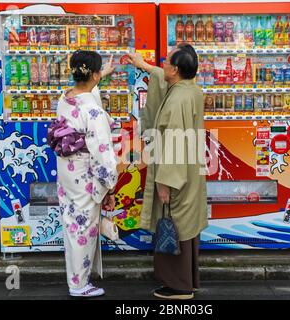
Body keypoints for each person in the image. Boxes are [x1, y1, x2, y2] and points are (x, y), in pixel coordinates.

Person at [127, 43, 208, 300]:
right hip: (190, 171)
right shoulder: (190, 89)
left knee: (174, 223)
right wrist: (143, 65)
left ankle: (178, 285)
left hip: (176, 175)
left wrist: (165, 183)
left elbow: (173, 143)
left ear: (175, 69)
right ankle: (189, 279)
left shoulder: (177, 101)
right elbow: (162, 77)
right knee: (187, 223)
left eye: (166, 61)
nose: (162, 64)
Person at [54, 50, 118, 297]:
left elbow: (87, 93)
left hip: (68, 174)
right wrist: (109, 186)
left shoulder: (65, 97)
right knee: (83, 229)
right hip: (86, 177)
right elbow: (102, 153)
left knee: (72, 225)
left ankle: (77, 279)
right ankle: (79, 285)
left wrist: (100, 76)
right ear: (94, 74)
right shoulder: (93, 111)